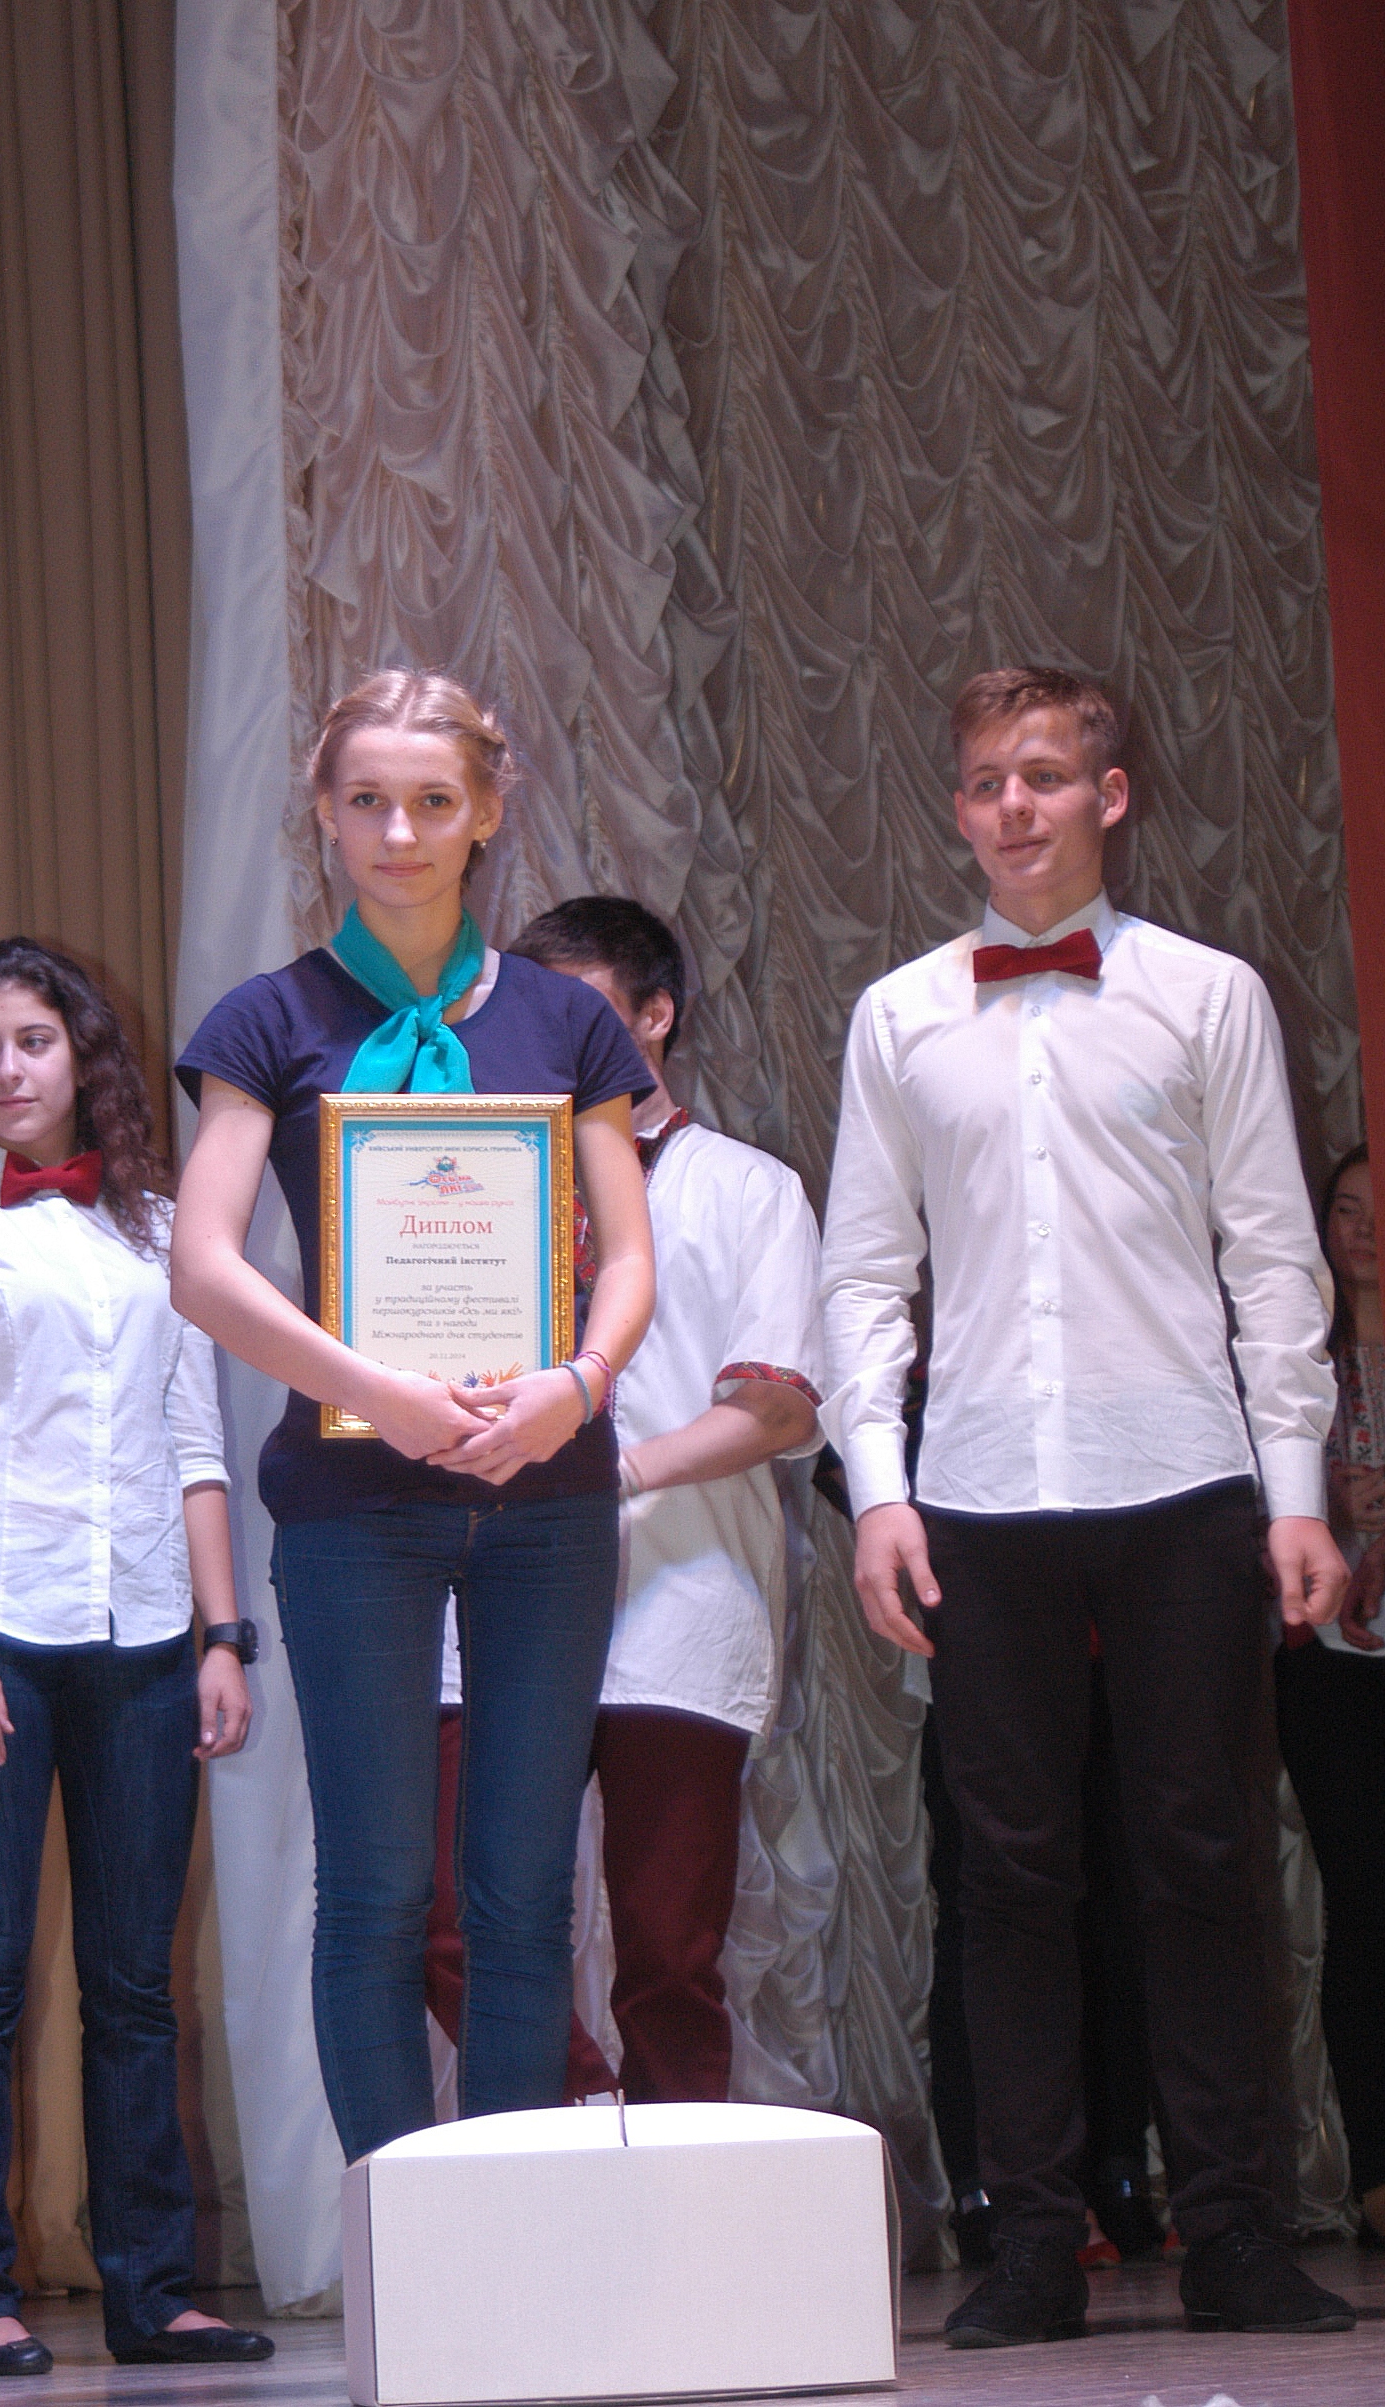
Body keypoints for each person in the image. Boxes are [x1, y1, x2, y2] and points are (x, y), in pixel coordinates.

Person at [820, 664, 1355, 2345]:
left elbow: (1272, 1257)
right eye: (985, 780)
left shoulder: (1206, 996)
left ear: (1107, 795)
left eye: (1043, 775)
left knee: (1199, 1856)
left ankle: (1237, 2235)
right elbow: (862, 1278)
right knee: (1007, 1874)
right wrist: (879, 1492)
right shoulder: (898, 1016)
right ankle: (1032, 2245)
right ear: (956, 804)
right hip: (979, 1493)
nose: (1012, 807)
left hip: (1183, 1480)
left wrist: (1293, 1492)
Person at [170, 673, 656, 2161]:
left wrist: (575, 1385)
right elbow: (200, 1266)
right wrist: (371, 1390)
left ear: (486, 813)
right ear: (323, 813)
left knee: (522, 1894)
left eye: (433, 801)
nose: (399, 831)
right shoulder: (269, 1018)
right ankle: (398, 2236)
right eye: (368, 800)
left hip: (548, 1491)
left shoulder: (567, 1020)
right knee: (377, 1891)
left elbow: (630, 1259)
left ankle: (502, 2234)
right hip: (354, 1503)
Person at [0, 940, 271, 2378]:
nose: (7, 1069)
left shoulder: (160, 1229)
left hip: (150, 1638)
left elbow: (196, 1441)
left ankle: (155, 2289)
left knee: (136, 1983)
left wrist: (223, 1637)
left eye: (32, 1040)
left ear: (81, 1054)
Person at [424, 899, 824, 2100]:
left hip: (680, 1600)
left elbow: (778, 1408)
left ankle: (674, 2199)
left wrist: (615, 1473)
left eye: (584, 1010)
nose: (550, 1036)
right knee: (445, 1920)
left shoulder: (748, 1188)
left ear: (657, 1015)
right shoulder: (474, 1183)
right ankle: (582, 2115)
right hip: (494, 1598)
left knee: (670, 1954)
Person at [1275, 1143, 1385, 2246]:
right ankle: (1378, 2170)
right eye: (1346, 1208)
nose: (1363, 1229)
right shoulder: (1297, 1353)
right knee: (1366, 1900)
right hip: (1328, 1666)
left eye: (1377, 1208)